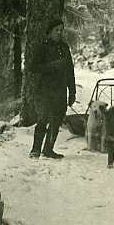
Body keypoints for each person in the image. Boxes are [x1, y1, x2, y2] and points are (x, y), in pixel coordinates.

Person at [29, 18, 76, 159]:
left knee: (57, 120)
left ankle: (48, 149)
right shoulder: (42, 47)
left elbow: (70, 72)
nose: (60, 33)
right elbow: (33, 67)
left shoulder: (65, 48)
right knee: (43, 118)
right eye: (57, 30)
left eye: (62, 30)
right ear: (50, 32)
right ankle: (35, 150)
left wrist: (72, 92)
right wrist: (53, 65)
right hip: (45, 90)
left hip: (61, 91)